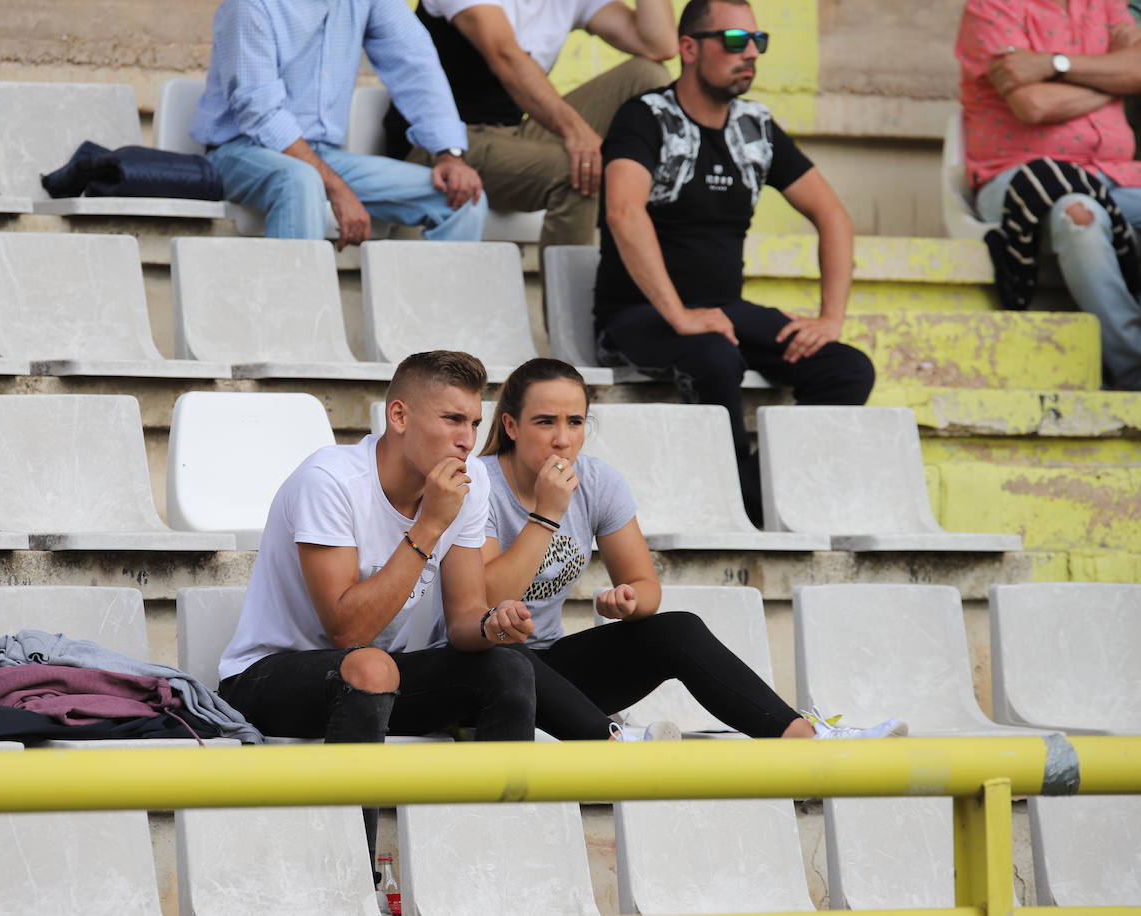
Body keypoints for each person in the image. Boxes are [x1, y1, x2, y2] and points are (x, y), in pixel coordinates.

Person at [463, 357, 908, 742]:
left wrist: (630, 603)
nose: (563, 439)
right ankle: (613, 739)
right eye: (546, 422)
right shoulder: (479, 483)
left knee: (677, 629)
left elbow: (644, 586)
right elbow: (482, 600)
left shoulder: (597, 481)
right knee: (508, 656)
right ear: (511, 426)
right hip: (481, 672)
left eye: (575, 422)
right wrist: (546, 515)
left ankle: (800, 735)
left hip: (553, 670)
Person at [216, 350, 537, 865]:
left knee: (507, 669)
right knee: (369, 664)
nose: (466, 438)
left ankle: (494, 871)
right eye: (452, 419)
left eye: (474, 422)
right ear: (399, 416)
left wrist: (493, 625)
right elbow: (347, 630)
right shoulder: (331, 481)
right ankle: (352, 880)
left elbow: (461, 622)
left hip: (373, 682)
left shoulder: (466, 489)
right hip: (264, 679)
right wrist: (428, 525)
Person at [594, 0, 875, 525]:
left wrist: (830, 317)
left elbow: (833, 215)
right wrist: (678, 314)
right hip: (638, 316)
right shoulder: (645, 117)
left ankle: (751, 486)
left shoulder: (757, 127)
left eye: (757, 42)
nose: (749, 53)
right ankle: (738, 508)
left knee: (846, 369)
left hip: (724, 311)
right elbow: (623, 211)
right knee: (715, 357)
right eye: (733, 40)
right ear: (688, 48)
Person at [191, 0, 487, 248]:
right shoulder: (251, 4)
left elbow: (414, 62)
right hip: (240, 151)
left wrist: (450, 153)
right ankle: (297, 315)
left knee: (463, 200)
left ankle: (437, 319)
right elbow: (259, 114)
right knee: (300, 179)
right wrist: (337, 189)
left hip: (325, 156)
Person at [957, 0, 1141, 390]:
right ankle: (1134, 370)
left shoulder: (1104, 5)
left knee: (1084, 203)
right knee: (1079, 214)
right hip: (1020, 178)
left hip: (1119, 176)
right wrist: (1113, 79)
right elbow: (1033, 104)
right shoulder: (992, 9)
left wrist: (1055, 65)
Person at [388, 0, 676, 247]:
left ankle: (674, 239)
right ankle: (569, 310)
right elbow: (505, 56)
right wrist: (577, 133)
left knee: (647, 75)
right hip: (444, 145)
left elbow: (659, 45)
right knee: (578, 170)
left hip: (512, 134)